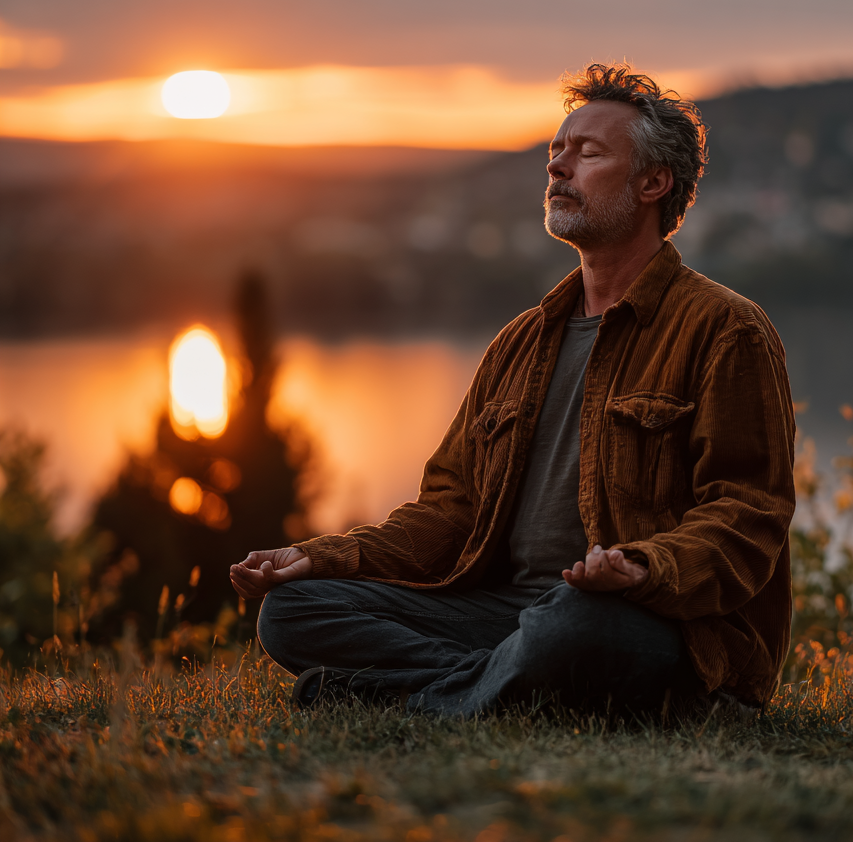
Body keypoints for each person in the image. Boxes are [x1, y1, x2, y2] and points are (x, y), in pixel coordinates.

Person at [231, 63, 796, 718]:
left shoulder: (726, 329)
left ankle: (449, 690)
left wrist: (643, 567)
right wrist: (321, 556)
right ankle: (488, 687)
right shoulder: (520, 344)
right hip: (506, 615)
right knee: (294, 608)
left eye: (587, 152)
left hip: (650, 620)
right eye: (556, 152)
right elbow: (449, 510)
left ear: (653, 182)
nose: (558, 168)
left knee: (574, 624)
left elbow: (748, 513)